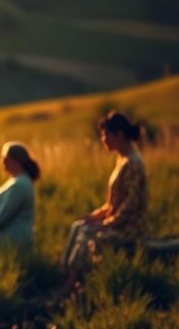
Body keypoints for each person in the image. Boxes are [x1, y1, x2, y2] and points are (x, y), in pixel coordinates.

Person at [61, 112, 149, 289]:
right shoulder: (122, 159)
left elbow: (131, 206)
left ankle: (72, 286)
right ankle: (65, 276)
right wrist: (97, 215)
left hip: (130, 228)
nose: (103, 139)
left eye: (106, 134)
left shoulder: (133, 163)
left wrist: (107, 223)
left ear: (120, 135)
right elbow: (114, 203)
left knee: (88, 234)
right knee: (79, 225)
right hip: (118, 222)